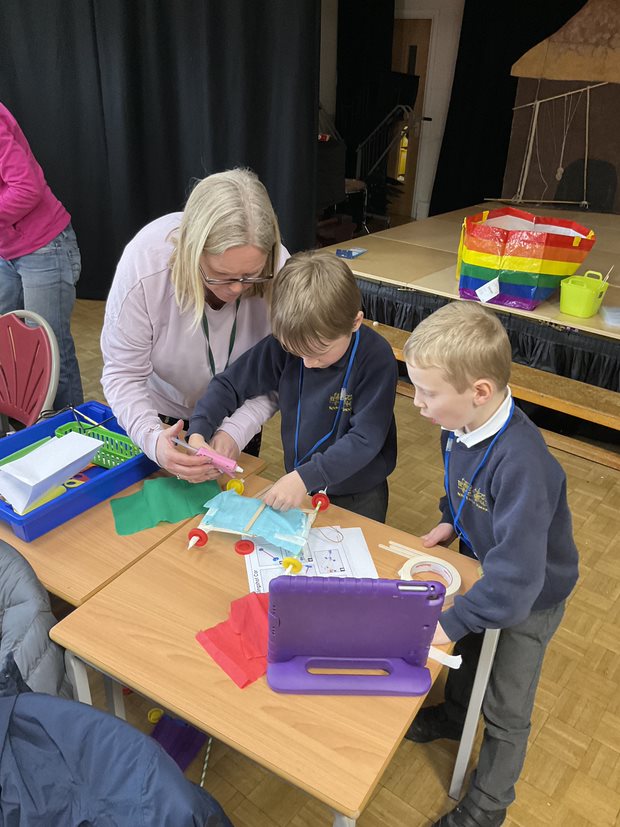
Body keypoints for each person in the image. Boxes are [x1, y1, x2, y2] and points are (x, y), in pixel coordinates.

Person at [402, 301, 579, 827]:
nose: (416, 403)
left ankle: (486, 809)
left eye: (428, 392)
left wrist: (450, 620)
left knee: (506, 705)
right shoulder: (456, 425)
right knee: (472, 652)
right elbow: (463, 488)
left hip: (530, 597)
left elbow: (518, 582)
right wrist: (449, 522)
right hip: (488, 570)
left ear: (479, 391)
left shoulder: (524, 464)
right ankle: (456, 715)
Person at [101, 167, 287, 481]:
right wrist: (152, 439)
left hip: (237, 415)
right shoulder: (145, 264)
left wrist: (234, 432)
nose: (238, 289)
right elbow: (122, 373)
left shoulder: (281, 272)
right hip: (160, 418)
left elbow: (279, 375)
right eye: (223, 276)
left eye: (251, 275)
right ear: (192, 252)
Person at [187, 250, 398, 521]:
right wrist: (199, 433)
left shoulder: (376, 358)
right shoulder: (284, 347)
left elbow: (365, 439)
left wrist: (304, 477)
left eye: (319, 351)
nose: (307, 363)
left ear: (355, 322)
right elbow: (229, 385)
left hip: (358, 492)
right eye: (296, 352)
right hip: (301, 483)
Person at [0, 101, 83, 410]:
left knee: (50, 351)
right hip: (6, 249)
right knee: (9, 345)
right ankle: (25, 427)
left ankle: (72, 435)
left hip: (44, 246)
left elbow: (26, 188)